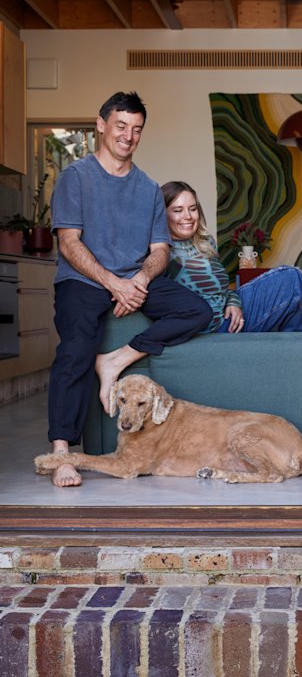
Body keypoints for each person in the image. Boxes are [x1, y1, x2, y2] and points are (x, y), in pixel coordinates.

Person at [47, 93, 213, 489]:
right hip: (84, 280)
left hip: (133, 279)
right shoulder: (77, 176)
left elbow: (160, 250)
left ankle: (117, 359)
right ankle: (61, 452)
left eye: (136, 129)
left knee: (198, 311)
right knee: (75, 347)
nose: (128, 135)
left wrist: (139, 281)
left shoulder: (149, 189)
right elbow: (69, 243)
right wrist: (114, 284)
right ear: (102, 125)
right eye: (121, 126)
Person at [162, 180, 302, 347]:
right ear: (162, 214)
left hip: (230, 312)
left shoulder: (205, 242)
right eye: (177, 210)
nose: (187, 216)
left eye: (192, 209)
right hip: (213, 325)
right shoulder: (163, 252)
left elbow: (220, 287)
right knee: (291, 279)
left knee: (293, 275)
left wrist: (233, 301)